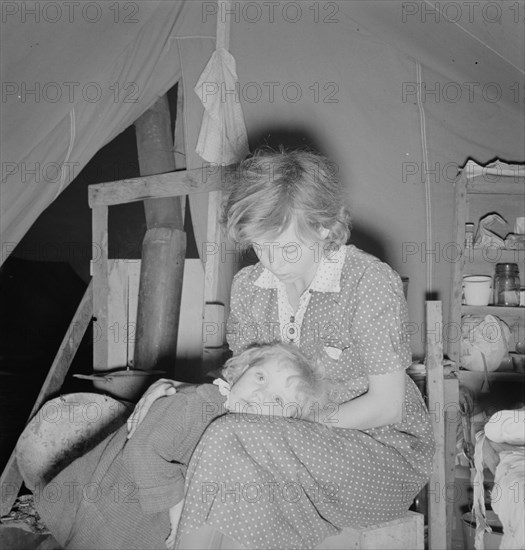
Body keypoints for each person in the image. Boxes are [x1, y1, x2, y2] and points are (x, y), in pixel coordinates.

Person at [131, 147, 435, 550]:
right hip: (280, 444)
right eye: (260, 246)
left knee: (229, 438)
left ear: (324, 226)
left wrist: (287, 423)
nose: (272, 261)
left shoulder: (368, 282)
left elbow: (386, 406)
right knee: (171, 424)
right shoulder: (249, 288)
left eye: (287, 247)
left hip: (379, 452)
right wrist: (174, 391)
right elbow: (240, 380)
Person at [31, 342, 325, 550]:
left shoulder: (238, 432)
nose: (261, 394)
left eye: (276, 401)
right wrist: (178, 514)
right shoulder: (198, 403)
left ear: (285, 422)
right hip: (110, 504)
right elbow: (143, 453)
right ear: (241, 370)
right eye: (260, 377)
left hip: (143, 519)